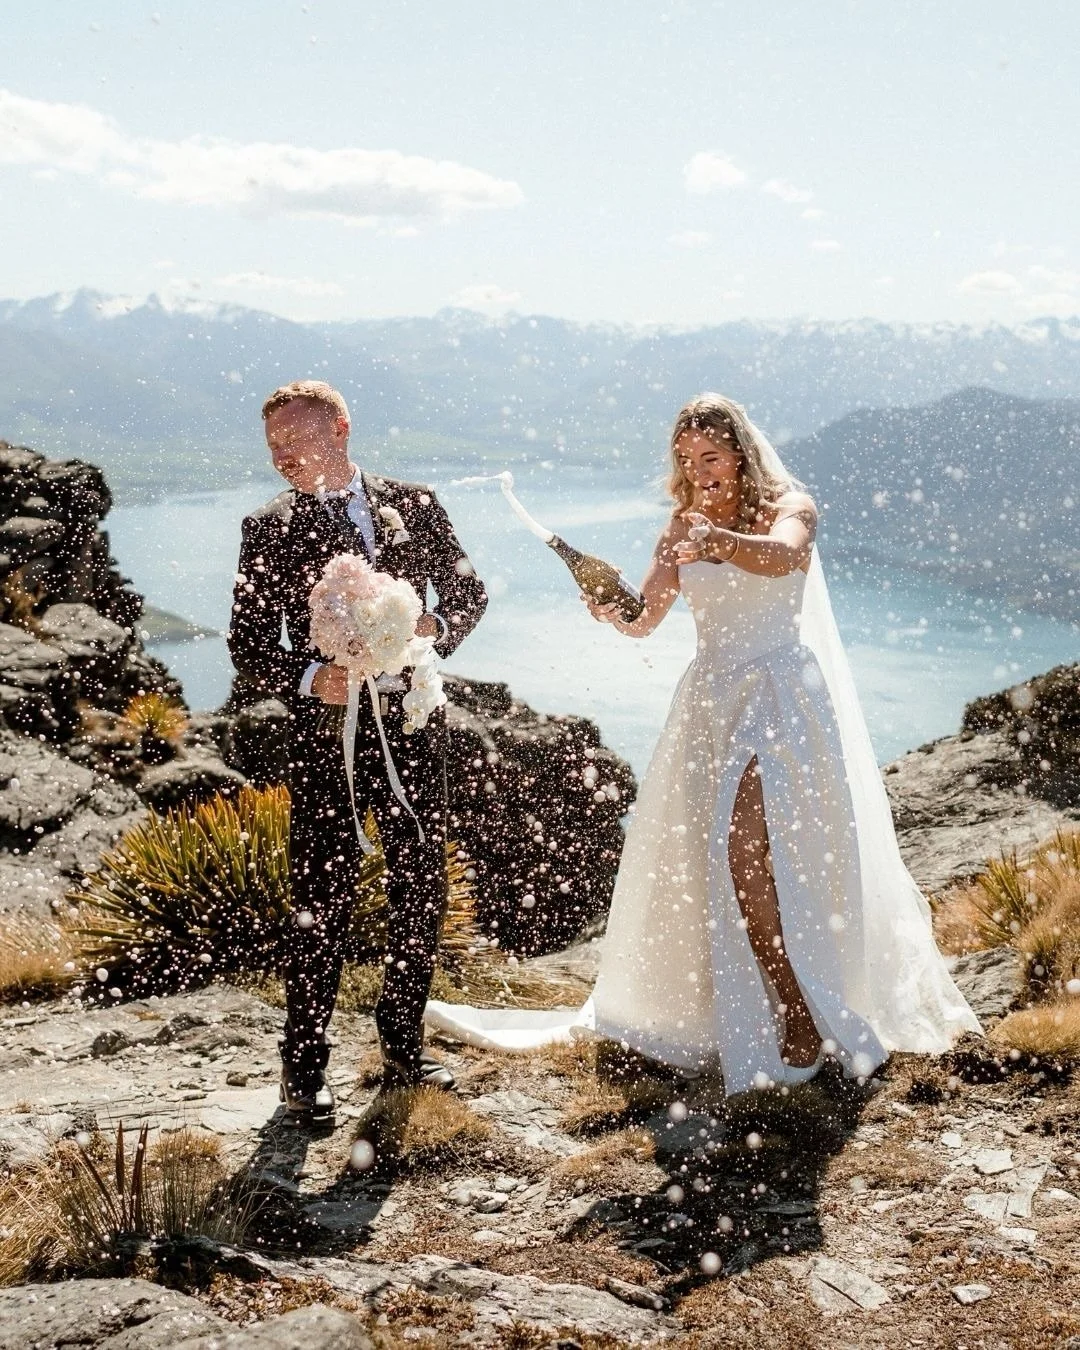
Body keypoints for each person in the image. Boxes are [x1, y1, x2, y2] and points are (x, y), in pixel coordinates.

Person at [424, 393, 980, 1094]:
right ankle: (755, 1007)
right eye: (686, 459)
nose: (699, 470)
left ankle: (800, 1006)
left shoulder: (790, 506)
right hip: (711, 703)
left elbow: (783, 559)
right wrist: (609, 604)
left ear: (740, 455)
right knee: (726, 858)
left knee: (752, 850)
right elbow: (645, 618)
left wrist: (716, 541)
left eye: (710, 457)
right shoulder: (677, 528)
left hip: (778, 696)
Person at [227, 380, 487, 1124]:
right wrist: (315, 676)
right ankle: (302, 1068)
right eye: (274, 445)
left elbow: (470, 594)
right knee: (321, 894)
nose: (284, 456)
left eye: (298, 438)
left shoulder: (416, 504)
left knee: (419, 881)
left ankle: (403, 1049)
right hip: (322, 740)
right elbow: (248, 645)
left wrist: (430, 626)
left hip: (411, 723)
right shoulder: (266, 527)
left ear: (340, 427)